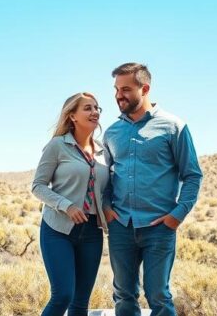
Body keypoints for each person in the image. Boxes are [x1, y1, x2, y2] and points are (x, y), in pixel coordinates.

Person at [102, 63, 202, 316]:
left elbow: (192, 175)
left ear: (144, 88)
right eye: (116, 89)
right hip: (121, 225)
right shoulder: (112, 132)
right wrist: (106, 208)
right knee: (123, 294)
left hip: (159, 227)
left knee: (158, 295)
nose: (118, 95)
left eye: (125, 89)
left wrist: (176, 215)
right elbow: (105, 177)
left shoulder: (173, 126)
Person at [31, 92, 109, 316]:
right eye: (87, 108)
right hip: (58, 230)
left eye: (97, 108)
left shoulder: (104, 152)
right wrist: (66, 205)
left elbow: (106, 190)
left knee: (80, 303)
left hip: (92, 231)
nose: (94, 112)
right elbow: (38, 186)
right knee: (63, 295)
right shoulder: (57, 145)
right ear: (72, 116)